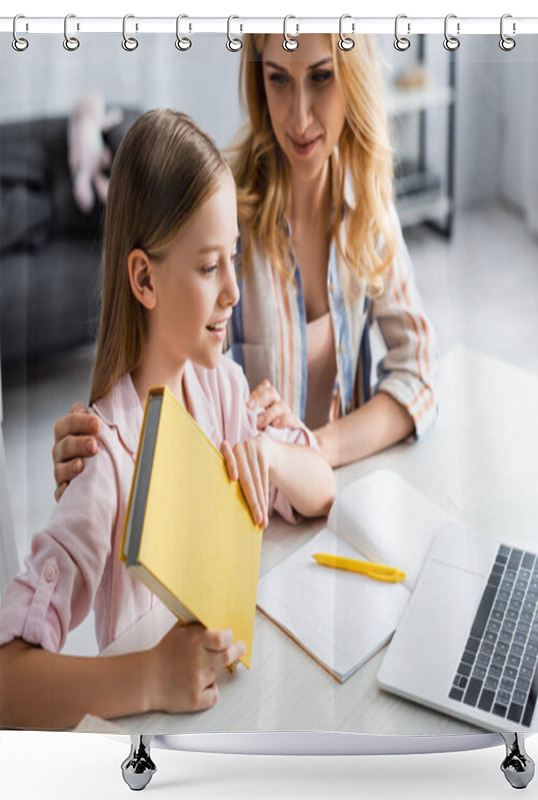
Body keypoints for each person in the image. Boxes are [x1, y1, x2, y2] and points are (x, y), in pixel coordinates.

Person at [0, 110, 335, 730]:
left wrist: (270, 456)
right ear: (144, 279)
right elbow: (8, 685)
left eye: (232, 258)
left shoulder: (224, 389)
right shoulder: (106, 458)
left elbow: (321, 489)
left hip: (242, 718)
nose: (233, 291)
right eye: (210, 267)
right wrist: (152, 675)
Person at [50, 33, 437, 498]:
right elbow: (153, 377)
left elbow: (418, 374)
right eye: (278, 79)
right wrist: (103, 450)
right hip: (244, 516)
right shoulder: (221, 216)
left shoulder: (370, 207)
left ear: (353, 75)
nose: (298, 116)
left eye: (321, 77)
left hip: (330, 497)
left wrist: (312, 450)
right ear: (259, 79)